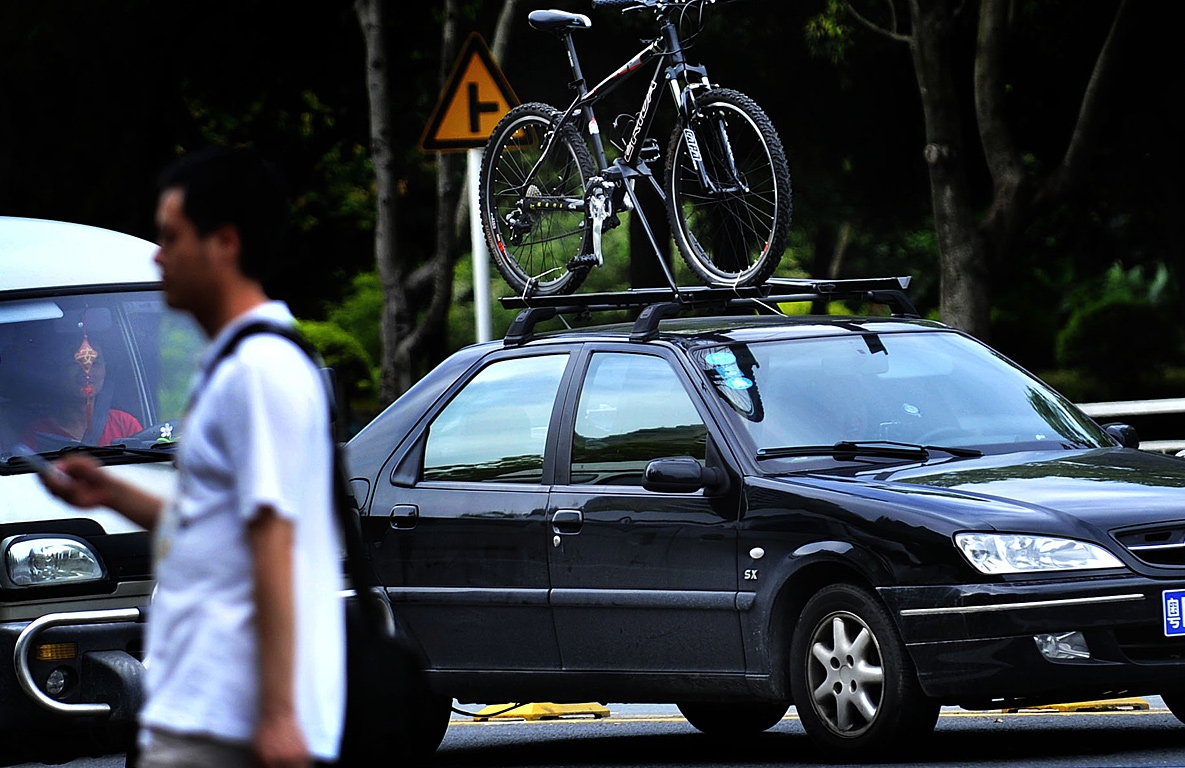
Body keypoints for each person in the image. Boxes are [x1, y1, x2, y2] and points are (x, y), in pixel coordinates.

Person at [41, 148, 345, 768]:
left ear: (224, 244)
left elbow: (273, 541)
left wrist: (280, 713)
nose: (157, 255)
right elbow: (219, 527)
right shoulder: (237, 366)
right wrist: (112, 493)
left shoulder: (257, 373)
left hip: (232, 717)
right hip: (208, 711)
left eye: (171, 236)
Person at [21, 335, 143, 448]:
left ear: (105, 370)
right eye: (75, 363)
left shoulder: (125, 425)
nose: (86, 372)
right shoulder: (38, 434)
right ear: (59, 371)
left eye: (94, 364)